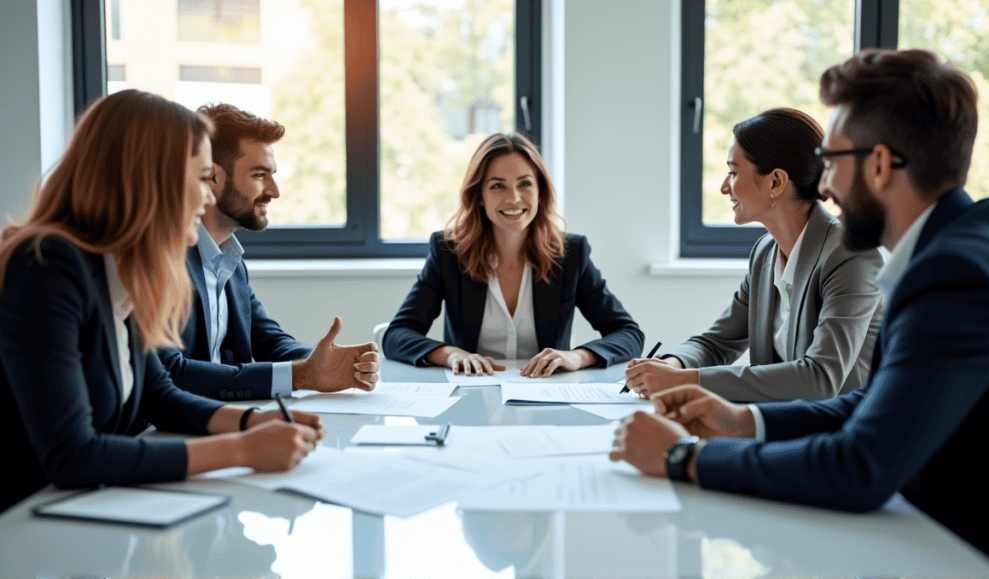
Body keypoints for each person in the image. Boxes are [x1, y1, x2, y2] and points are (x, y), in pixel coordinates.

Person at [610, 49, 989, 575]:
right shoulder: (968, 248)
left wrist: (683, 459)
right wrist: (742, 420)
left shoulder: (955, 277)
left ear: (878, 165)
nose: (823, 185)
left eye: (831, 162)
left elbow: (859, 467)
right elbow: (872, 405)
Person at [0, 90, 325, 513]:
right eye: (201, 178)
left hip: (86, 511)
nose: (209, 198)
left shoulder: (119, 268)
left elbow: (160, 396)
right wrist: (242, 450)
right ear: (153, 178)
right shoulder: (47, 266)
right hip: (25, 528)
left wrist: (254, 421)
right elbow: (71, 455)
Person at [624, 108, 885, 402]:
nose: (725, 187)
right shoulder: (764, 253)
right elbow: (718, 343)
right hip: (778, 425)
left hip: (838, 435)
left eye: (733, 172)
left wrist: (685, 381)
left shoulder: (851, 255)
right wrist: (673, 364)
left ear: (776, 182)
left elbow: (820, 378)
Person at [158, 103, 379, 401]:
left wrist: (323, 361)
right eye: (260, 175)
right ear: (213, 177)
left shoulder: (230, 260)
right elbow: (170, 373)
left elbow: (267, 339)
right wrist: (302, 375)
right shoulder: (165, 259)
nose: (275, 191)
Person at [383, 132, 643, 377]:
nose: (514, 198)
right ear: (480, 196)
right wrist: (451, 355)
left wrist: (577, 357)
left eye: (525, 184)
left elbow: (628, 334)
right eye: (498, 186)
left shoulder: (571, 255)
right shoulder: (448, 252)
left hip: (547, 398)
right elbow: (397, 335)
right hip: (469, 396)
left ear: (540, 192)